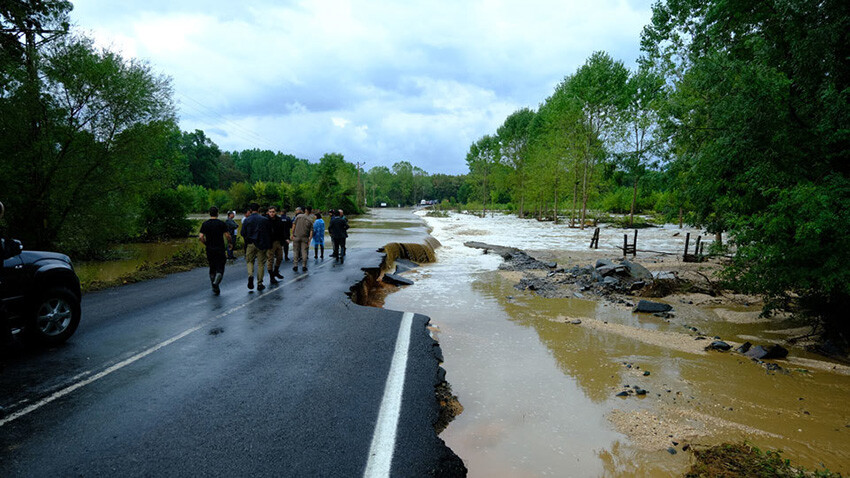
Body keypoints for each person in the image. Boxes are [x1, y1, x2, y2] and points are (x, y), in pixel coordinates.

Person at [198, 206, 231, 295]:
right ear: (218, 213)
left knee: (212, 267)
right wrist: (230, 243)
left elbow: (201, 236)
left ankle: (213, 285)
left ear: (209, 213)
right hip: (219, 248)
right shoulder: (221, 224)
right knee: (220, 267)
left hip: (210, 249)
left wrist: (206, 243)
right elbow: (227, 236)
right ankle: (216, 282)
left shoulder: (205, 224)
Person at [240, 203, 272, 290]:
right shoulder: (264, 220)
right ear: (259, 209)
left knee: (249, 261)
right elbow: (269, 232)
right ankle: (259, 283)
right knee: (261, 264)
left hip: (250, 243)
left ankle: (250, 275)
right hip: (261, 244)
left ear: (250, 210)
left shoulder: (247, 220)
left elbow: (242, 233)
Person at [266, 205, 286, 282]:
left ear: (276, 212)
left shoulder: (279, 220)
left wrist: (284, 240)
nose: (272, 213)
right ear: (268, 212)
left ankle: (276, 271)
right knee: (270, 260)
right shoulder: (266, 220)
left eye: (273, 212)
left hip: (278, 241)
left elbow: (282, 230)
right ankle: (271, 276)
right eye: (270, 212)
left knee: (280, 257)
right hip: (270, 242)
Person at [290, 206, 313, 272]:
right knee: (304, 251)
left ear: (305, 210)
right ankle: (304, 265)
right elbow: (311, 231)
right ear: (311, 212)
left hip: (296, 236)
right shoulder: (310, 219)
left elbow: (293, 225)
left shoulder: (298, 216)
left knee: (296, 251)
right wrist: (310, 239)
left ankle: (295, 265)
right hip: (305, 238)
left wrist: (292, 234)